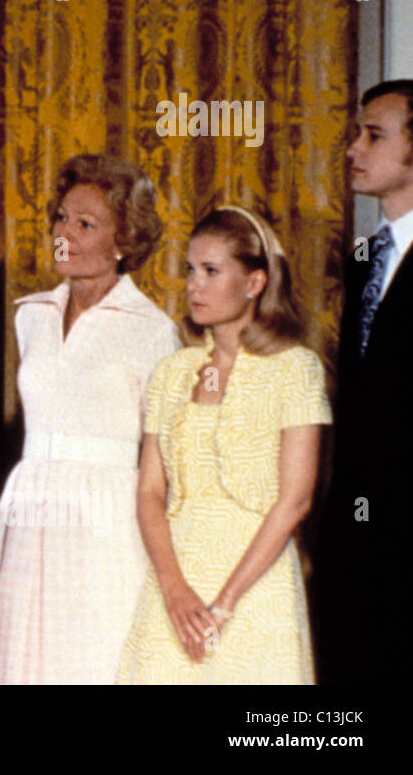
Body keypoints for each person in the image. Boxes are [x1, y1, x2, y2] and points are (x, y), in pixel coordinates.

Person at [0, 154, 179, 684]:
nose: (65, 234)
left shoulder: (152, 330)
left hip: (106, 519)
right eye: (61, 218)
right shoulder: (30, 315)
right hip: (30, 503)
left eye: (85, 224)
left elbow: (169, 456)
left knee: (90, 657)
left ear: (124, 242)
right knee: (19, 659)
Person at [117, 207, 329, 684]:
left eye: (212, 272)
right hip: (178, 577)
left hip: (256, 580)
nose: (194, 285)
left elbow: (295, 501)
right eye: (191, 271)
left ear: (255, 283)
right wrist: (174, 591)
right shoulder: (172, 373)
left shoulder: (295, 370)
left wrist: (223, 605)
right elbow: (150, 491)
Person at [311, 80, 413, 684]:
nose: (353, 148)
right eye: (355, 133)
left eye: (374, 135)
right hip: (359, 535)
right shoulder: (362, 259)